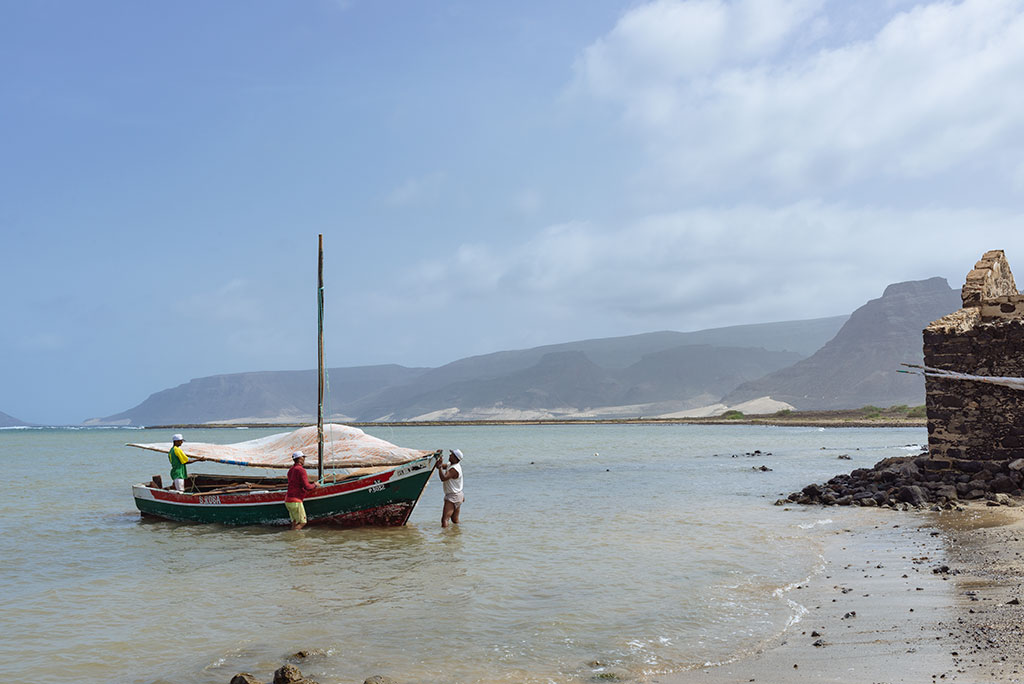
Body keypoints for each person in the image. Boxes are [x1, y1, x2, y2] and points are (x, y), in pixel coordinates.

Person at [285, 451, 318, 530]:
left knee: (295, 522)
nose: (304, 459)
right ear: (299, 459)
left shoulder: (291, 470)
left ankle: (293, 541)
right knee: (303, 522)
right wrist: (315, 485)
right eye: (303, 457)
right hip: (296, 501)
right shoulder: (301, 470)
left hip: (288, 500)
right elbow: (307, 487)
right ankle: (293, 537)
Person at [436, 448, 464, 528]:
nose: (449, 455)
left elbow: (443, 478)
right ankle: (457, 534)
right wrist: (438, 457)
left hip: (453, 496)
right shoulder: (451, 465)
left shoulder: (454, 469)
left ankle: (445, 538)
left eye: (451, 454)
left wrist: (439, 467)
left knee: (445, 519)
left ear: (455, 458)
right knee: (455, 520)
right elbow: (440, 466)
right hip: (458, 495)